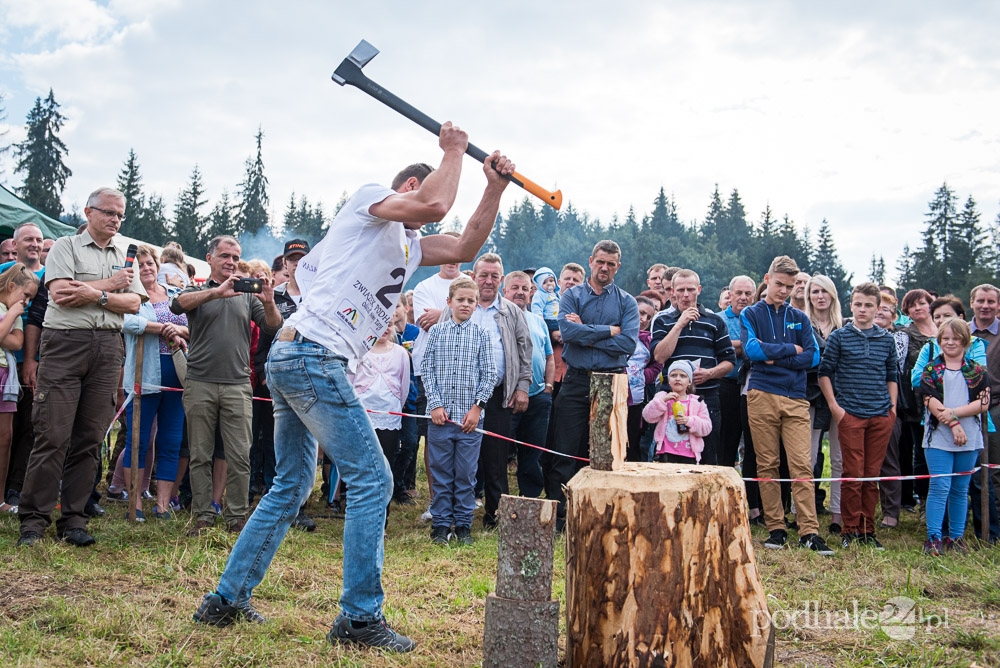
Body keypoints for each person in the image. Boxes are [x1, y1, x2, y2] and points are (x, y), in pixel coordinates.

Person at [192, 123, 514, 653]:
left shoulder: (408, 248)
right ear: (409, 185)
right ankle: (359, 617)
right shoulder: (369, 202)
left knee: (292, 485)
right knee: (373, 480)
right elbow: (434, 205)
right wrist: (453, 150)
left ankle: (226, 599)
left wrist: (494, 188)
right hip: (314, 356)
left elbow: (464, 242)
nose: (437, 200)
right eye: (429, 185)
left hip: (298, 356)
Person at [18, 187, 147, 548]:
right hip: (64, 344)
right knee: (52, 435)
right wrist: (108, 289)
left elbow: (135, 303)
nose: (115, 220)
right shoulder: (64, 247)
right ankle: (33, 520)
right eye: (108, 212)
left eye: (120, 215)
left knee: (90, 438)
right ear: (88, 212)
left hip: (108, 348)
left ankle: (73, 519)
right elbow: (61, 294)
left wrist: (95, 294)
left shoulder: (126, 253)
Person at [171, 235, 282, 535]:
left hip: (236, 384)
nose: (230, 262)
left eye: (235, 257)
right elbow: (177, 304)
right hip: (200, 382)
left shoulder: (247, 296)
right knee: (200, 454)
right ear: (209, 258)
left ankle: (236, 516)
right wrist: (217, 293)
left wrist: (269, 302)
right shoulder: (197, 291)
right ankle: (203, 514)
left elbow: (273, 325)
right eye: (224, 256)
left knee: (238, 454)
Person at [543, 240, 638, 532]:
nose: (605, 268)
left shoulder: (626, 302)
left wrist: (586, 331)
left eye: (611, 264)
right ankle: (562, 517)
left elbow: (628, 344)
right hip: (575, 379)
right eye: (600, 262)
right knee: (565, 448)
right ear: (591, 260)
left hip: (611, 380)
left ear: (617, 267)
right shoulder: (571, 295)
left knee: (607, 452)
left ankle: (602, 515)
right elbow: (568, 333)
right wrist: (608, 330)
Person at [741, 255, 833, 555]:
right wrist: (789, 350)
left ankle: (809, 531)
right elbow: (752, 350)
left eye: (790, 286)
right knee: (767, 464)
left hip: (795, 397)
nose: (784, 290)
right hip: (761, 394)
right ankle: (776, 528)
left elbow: (814, 357)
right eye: (779, 284)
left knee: (802, 464)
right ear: (767, 280)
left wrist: (774, 356)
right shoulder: (752, 314)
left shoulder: (801, 318)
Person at [451, 252, 531, 529]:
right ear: (473, 277)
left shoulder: (511, 311)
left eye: (494, 276)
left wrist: (522, 387)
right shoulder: (460, 306)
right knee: (457, 456)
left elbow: (524, 351)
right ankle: (453, 513)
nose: (488, 281)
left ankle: (494, 515)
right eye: (483, 275)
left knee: (496, 457)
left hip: (498, 395)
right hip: (459, 395)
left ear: (501, 278)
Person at [818, 283, 897, 550]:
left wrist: (892, 408)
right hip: (850, 413)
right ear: (851, 305)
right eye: (858, 304)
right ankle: (849, 529)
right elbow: (824, 373)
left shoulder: (886, 339)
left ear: (878, 308)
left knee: (871, 475)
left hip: (880, 415)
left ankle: (867, 530)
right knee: (853, 473)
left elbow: (891, 375)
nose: (863, 310)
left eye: (869, 305)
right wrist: (835, 408)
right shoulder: (840, 337)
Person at [423, 276, 497, 545]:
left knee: (466, 473)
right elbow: (427, 370)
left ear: (477, 305)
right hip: (441, 419)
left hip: (469, 420)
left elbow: (489, 374)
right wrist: (435, 404)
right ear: (449, 302)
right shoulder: (437, 333)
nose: (465, 304)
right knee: (441, 472)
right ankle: (441, 524)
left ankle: (463, 524)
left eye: (470, 301)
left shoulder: (482, 335)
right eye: (460, 300)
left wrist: (477, 408)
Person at [121, 245, 189, 520]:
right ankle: (134, 502)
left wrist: (180, 330)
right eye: (140, 265)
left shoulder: (175, 295)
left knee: (171, 441)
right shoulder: (128, 297)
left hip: (177, 375)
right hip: (144, 375)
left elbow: (192, 326)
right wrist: (162, 328)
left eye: (150, 263)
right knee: (137, 439)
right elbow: (126, 322)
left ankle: (162, 505)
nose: (146, 268)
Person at [915, 318, 991, 555]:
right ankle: (934, 538)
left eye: (955, 338)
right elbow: (930, 401)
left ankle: (956, 538)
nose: (950, 342)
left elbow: (983, 403)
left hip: (970, 438)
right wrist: (954, 425)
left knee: (960, 488)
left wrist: (955, 414)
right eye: (945, 338)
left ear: (965, 341)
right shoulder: (931, 370)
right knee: (939, 486)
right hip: (938, 438)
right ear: (939, 341)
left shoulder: (977, 371)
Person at [651, 269, 736, 466]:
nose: (686, 295)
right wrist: (679, 324)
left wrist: (710, 373)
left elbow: (729, 361)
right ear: (672, 291)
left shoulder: (715, 321)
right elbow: (659, 356)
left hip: (706, 400)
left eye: (691, 289)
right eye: (681, 290)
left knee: (707, 458)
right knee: (670, 460)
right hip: (671, 401)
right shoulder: (663, 321)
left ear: (699, 290)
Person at [353, 306, 412, 527]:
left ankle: (381, 519)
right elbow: (351, 380)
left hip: (389, 417)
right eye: (378, 324)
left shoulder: (400, 354)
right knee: (363, 467)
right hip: (363, 415)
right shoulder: (360, 350)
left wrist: (394, 406)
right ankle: (360, 517)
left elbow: (404, 387)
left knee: (385, 466)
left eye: (388, 324)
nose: (384, 329)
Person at [1, 223, 45, 509]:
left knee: (21, 430)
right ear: (14, 244)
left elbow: (17, 339)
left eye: (39, 239)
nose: (35, 243)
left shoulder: (45, 277)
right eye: (28, 238)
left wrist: (31, 359)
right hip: (7, 366)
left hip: (17, 367)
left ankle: (12, 489)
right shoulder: (6, 281)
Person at [504, 270, 554, 497]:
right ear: (505, 291)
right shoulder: (498, 319)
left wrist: (549, 387)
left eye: (525, 288)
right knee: (500, 451)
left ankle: (530, 496)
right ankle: (496, 498)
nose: (520, 292)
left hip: (538, 396)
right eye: (515, 288)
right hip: (506, 396)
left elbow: (549, 356)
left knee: (533, 450)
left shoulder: (538, 321)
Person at [803, 274, 844, 529]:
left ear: (832, 295)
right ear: (809, 296)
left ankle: (838, 514)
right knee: (806, 459)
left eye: (824, 292)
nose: (819, 296)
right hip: (809, 398)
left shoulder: (845, 327)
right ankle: (802, 513)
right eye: (815, 292)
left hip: (841, 399)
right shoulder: (801, 324)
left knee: (839, 459)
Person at [0, 264, 38, 514]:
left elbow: (15, 341)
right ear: (11, 286)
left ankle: (1, 499)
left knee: (6, 438)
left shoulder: (16, 315)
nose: (26, 303)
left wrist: (13, 314)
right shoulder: (13, 311)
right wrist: (12, 313)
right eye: (25, 296)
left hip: (6, 376)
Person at [896, 289, 938, 512]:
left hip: (950, 401)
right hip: (916, 402)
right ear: (907, 311)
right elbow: (900, 369)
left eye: (922, 303)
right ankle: (924, 501)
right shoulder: (904, 334)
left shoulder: (945, 330)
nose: (918, 307)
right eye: (913, 305)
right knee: (922, 452)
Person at [643, 360, 712, 464]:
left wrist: (689, 421)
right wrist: (662, 401)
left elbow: (707, 428)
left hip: (689, 454)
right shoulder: (662, 397)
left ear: (689, 381)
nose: (678, 378)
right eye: (673, 375)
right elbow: (647, 416)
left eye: (683, 376)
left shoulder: (698, 402)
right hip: (666, 453)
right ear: (669, 381)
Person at [720, 276, 754, 468]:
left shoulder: (758, 318)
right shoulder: (720, 319)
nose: (743, 297)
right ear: (730, 295)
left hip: (753, 387)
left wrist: (735, 347)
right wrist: (747, 347)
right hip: (727, 386)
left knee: (752, 444)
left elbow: (758, 349)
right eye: (738, 293)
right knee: (726, 442)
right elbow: (719, 348)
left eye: (748, 293)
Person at [626, 295, 662, 462]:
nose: (644, 319)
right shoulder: (616, 332)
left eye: (649, 316)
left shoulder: (649, 340)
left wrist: (642, 376)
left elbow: (657, 364)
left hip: (637, 400)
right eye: (640, 313)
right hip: (613, 397)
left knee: (632, 443)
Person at [530, 266, 559, 335]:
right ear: (539, 285)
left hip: (558, 319)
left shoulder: (556, 294)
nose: (549, 283)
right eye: (544, 282)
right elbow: (536, 306)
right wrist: (539, 317)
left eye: (551, 281)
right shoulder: (540, 294)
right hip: (548, 320)